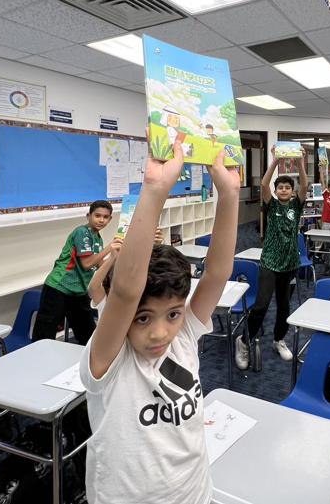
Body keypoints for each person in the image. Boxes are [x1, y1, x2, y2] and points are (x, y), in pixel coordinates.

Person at [79, 145, 240, 504]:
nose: (160, 332)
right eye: (143, 318)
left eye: (172, 314)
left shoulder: (183, 335)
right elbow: (125, 291)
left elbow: (217, 273)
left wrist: (229, 195)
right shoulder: (109, 358)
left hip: (195, 494)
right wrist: (154, 190)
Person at [235, 148, 307, 368]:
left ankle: (279, 340)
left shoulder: (296, 205)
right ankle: (244, 341)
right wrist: (275, 160)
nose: (284, 189)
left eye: (287, 187)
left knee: (284, 307)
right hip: (269, 262)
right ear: (276, 191)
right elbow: (264, 184)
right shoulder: (272, 204)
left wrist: (300, 162)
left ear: (292, 191)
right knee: (261, 306)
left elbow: (304, 185)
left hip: (290, 264)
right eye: (280, 187)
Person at [33, 200, 120, 344]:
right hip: (59, 287)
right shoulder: (82, 233)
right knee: (44, 334)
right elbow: (87, 264)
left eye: (105, 217)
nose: (101, 220)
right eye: (97, 215)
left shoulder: (97, 238)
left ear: (110, 219)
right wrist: (109, 248)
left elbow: (99, 265)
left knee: (88, 334)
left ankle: (88, 358)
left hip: (78, 291)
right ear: (88, 216)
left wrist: (115, 256)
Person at [88, 228, 164, 319]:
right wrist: (112, 257)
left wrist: (154, 247)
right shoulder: (108, 302)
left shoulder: (142, 300)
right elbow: (93, 287)